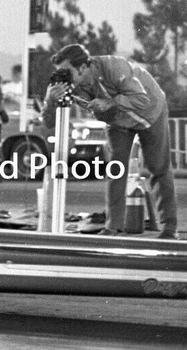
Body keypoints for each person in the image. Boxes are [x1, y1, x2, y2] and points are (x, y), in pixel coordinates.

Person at [43, 43, 178, 239]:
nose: (63, 77)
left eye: (66, 72)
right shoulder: (69, 85)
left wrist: (110, 102)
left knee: (158, 167)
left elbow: (142, 99)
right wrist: (50, 101)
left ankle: (170, 228)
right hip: (117, 121)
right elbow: (48, 123)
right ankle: (113, 227)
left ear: (82, 67)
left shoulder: (114, 67)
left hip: (150, 112)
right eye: (59, 72)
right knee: (116, 169)